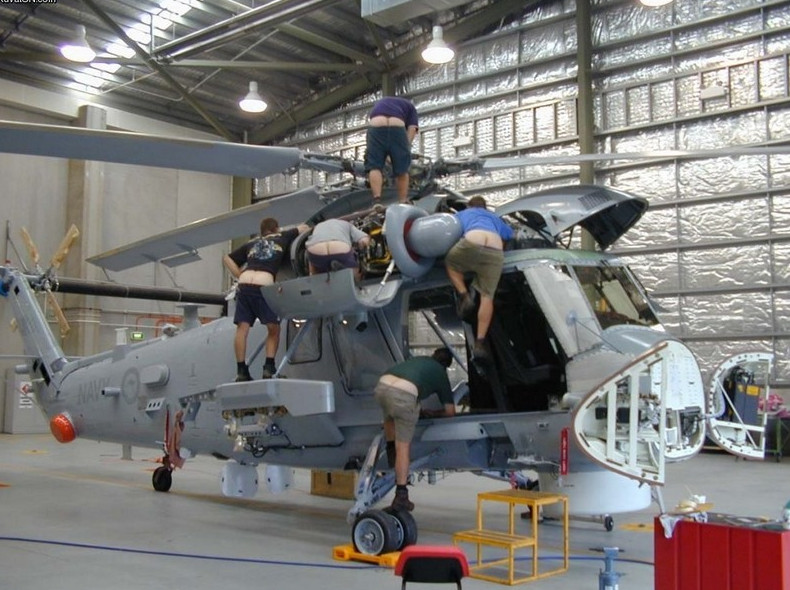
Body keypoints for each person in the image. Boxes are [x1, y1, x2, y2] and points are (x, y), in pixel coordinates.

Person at [223, 217, 309, 382]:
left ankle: (241, 371)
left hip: (244, 285)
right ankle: (269, 368)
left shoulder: (252, 243)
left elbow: (227, 258)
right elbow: (304, 228)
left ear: (262, 232)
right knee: (273, 329)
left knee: (242, 328)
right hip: (263, 286)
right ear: (276, 228)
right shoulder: (283, 236)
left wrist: (239, 275)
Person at [374, 347, 455, 512]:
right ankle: (401, 496)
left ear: (433, 355)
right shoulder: (440, 373)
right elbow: (450, 412)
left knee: (390, 415)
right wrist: (433, 413)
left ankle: (391, 457)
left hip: (382, 387)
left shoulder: (420, 360)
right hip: (403, 395)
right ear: (446, 365)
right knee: (403, 447)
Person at [445, 196, 513, 362]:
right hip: (495, 251)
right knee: (487, 296)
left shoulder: (463, 214)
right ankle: (480, 342)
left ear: (469, 206)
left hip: (472, 242)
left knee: (450, 264)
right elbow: (509, 234)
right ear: (485, 207)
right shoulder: (494, 218)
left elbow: (450, 230)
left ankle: (464, 295)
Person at [364, 96, 419, 204]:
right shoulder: (411, 107)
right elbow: (412, 129)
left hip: (376, 124)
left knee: (374, 166)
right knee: (402, 170)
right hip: (397, 125)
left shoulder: (381, 102)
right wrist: (405, 149)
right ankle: (402, 201)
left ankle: (377, 200)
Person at [305, 218, 371, 280]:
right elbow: (364, 240)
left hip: (316, 250)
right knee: (355, 270)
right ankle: (356, 281)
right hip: (339, 248)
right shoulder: (347, 224)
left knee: (315, 265)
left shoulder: (318, 226)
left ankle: (316, 278)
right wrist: (362, 249)